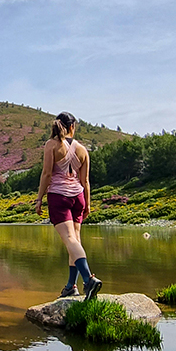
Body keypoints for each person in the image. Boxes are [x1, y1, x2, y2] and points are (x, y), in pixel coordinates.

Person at [35, 111, 103, 300]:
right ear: (73, 126)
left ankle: (88, 279)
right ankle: (70, 286)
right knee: (75, 242)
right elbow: (86, 181)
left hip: (59, 197)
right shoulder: (83, 150)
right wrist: (88, 204)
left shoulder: (52, 145)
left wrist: (39, 198)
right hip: (78, 198)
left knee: (70, 241)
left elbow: (47, 174)